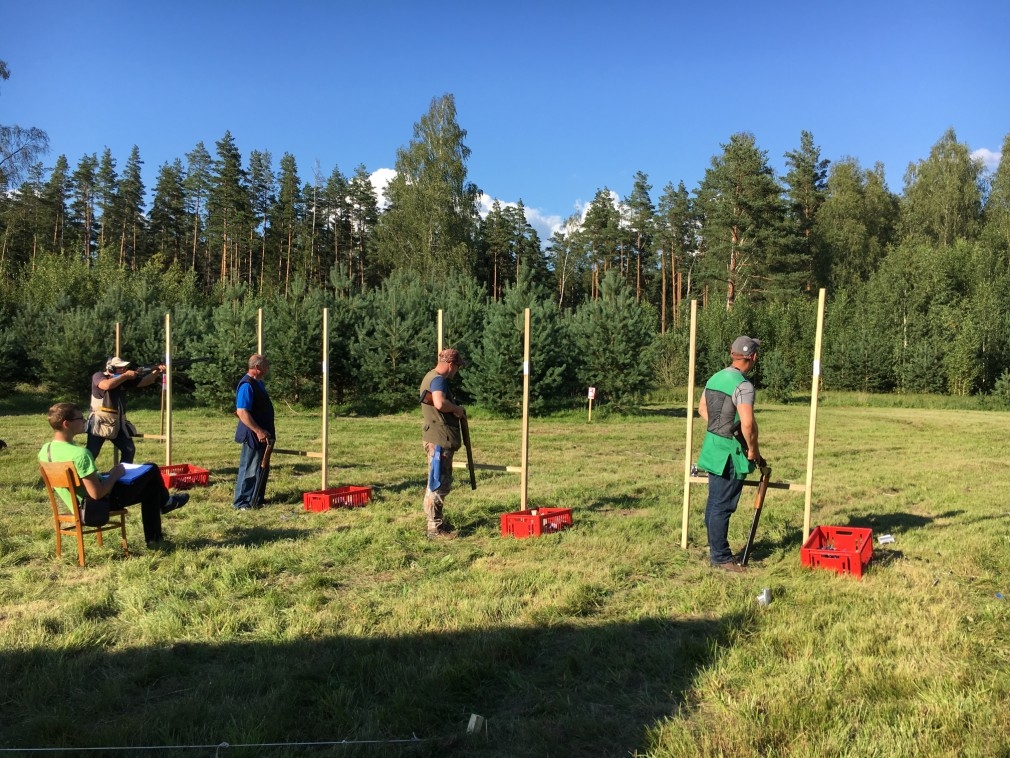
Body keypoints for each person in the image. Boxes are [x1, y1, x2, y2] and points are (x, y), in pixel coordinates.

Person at [40, 402, 187, 548]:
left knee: (151, 486)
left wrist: (105, 476)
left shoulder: (45, 451)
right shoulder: (80, 454)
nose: (85, 422)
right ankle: (160, 519)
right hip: (98, 505)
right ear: (67, 424)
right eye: (81, 419)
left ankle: (157, 533)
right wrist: (114, 475)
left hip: (77, 504)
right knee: (152, 469)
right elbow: (96, 494)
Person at [697, 335, 763, 573]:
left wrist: (718, 427)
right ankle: (721, 558)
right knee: (723, 506)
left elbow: (702, 409)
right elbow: (747, 424)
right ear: (753, 357)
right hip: (730, 454)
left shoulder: (715, 377)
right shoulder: (743, 386)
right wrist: (753, 450)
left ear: (732, 353)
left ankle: (716, 550)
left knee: (714, 503)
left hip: (713, 448)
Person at [419, 348, 466, 539]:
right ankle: (435, 529)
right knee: (439, 483)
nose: (456, 372)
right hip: (440, 439)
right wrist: (456, 409)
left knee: (435, 482)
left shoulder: (429, 376)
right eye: (457, 368)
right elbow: (439, 403)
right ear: (451, 365)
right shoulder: (438, 379)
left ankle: (434, 524)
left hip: (434, 436)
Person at [86, 356, 164, 464]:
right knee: (92, 453)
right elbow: (106, 385)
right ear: (110, 368)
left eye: (124, 367)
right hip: (100, 421)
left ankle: (123, 477)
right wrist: (125, 376)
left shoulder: (123, 379)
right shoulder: (99, 376)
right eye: (120, 367)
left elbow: (145, 381)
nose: (123, 369)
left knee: (129, 450)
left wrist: (157, 371)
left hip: (118, 422)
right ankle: (82, 478)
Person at [233, 354, 275, 511]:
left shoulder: (258, 383)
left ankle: (256, 499)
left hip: (264, 434)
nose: (268, 368)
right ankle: (242, 502)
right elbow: (242, 411)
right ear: (257, 367)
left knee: (261, 467)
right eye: (265, 365)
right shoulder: (247, 385)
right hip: (253, 434)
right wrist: (258, 430)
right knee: (250, 468)